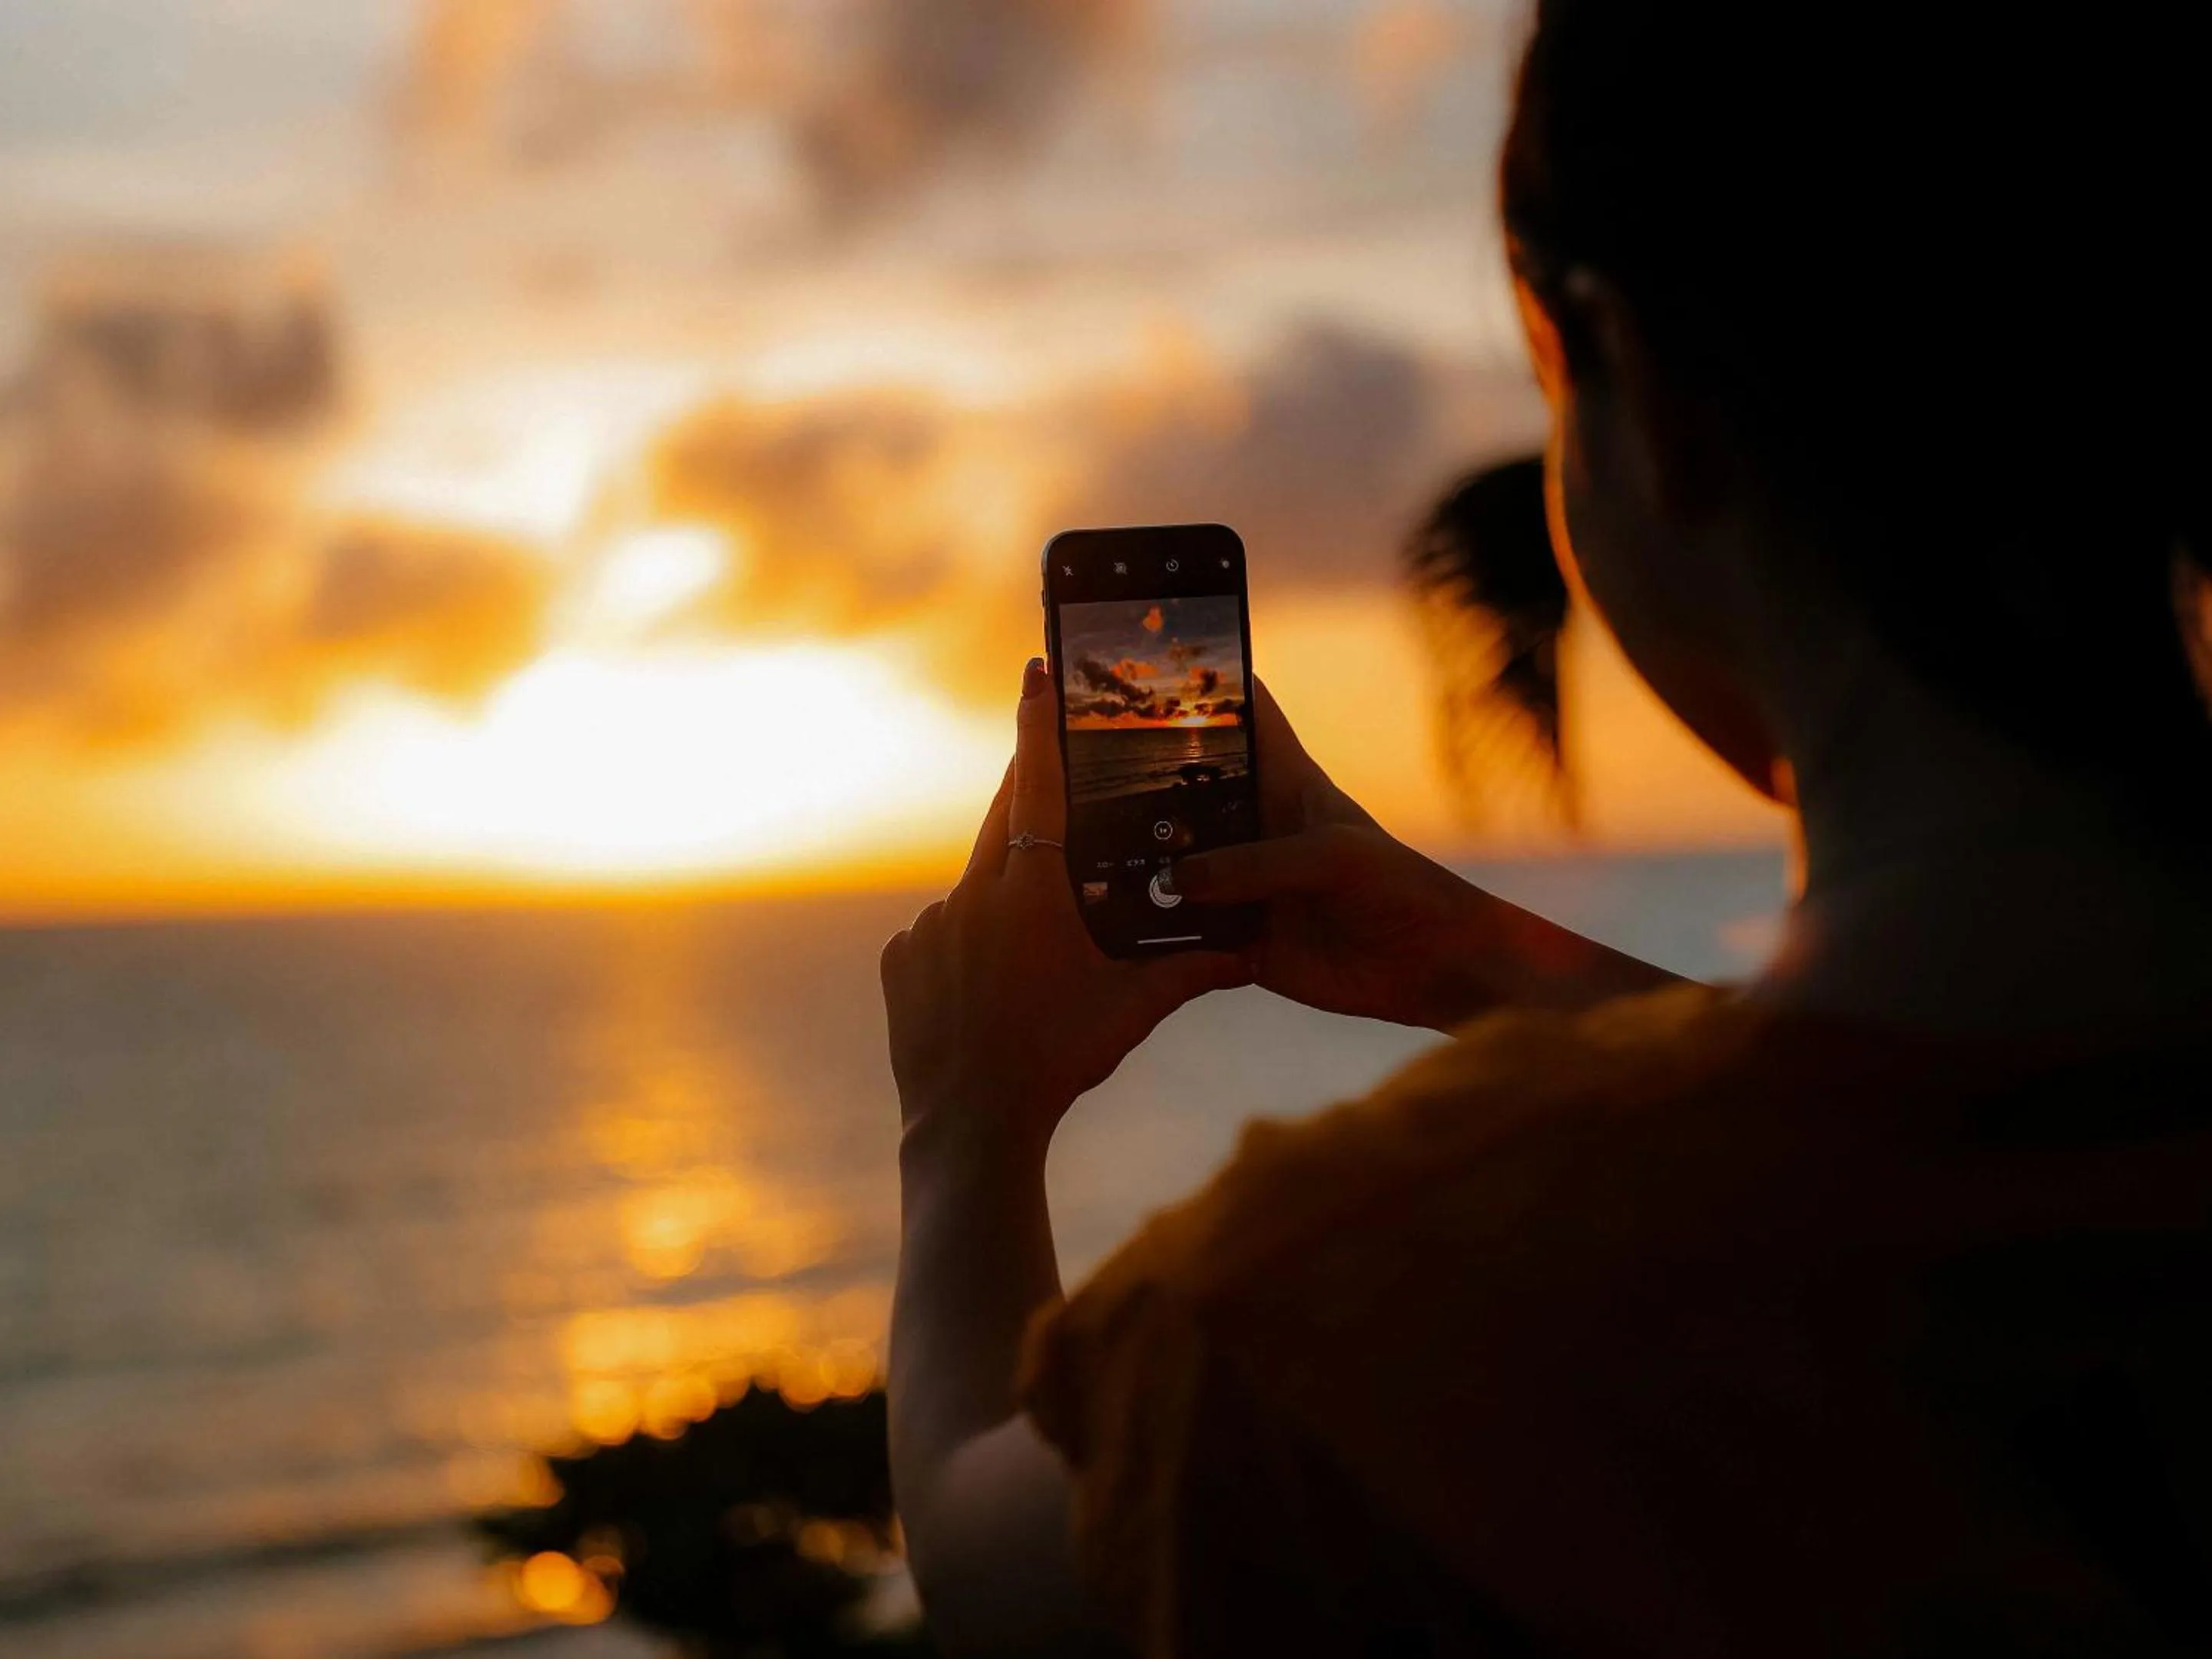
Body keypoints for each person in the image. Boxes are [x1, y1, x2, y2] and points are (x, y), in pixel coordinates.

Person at [879, 4, 2212, 1652]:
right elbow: (1976, 1117)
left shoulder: (1365, 1300)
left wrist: (965, 1131)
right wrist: (1479, 958)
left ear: (1641, 391)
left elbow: (988, 1547)